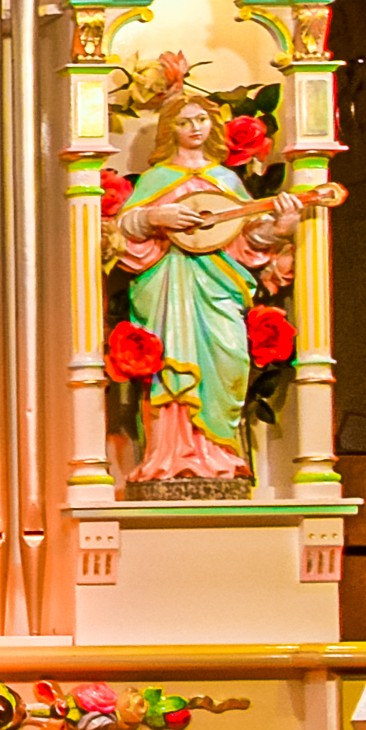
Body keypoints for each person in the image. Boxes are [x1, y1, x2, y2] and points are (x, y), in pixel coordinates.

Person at [108, 93, 299, 488]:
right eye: (184, 121)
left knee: (228, 358)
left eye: (201, 120)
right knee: (173, 361)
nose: (195, 128)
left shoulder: (226, 181)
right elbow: (123, 231)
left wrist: (280, 226)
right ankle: (169, 456)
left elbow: (247, 239)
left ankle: (219, 454)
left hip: (219, 287)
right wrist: (156, 216)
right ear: (170, 130)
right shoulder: (157, 179)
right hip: (168, 286)